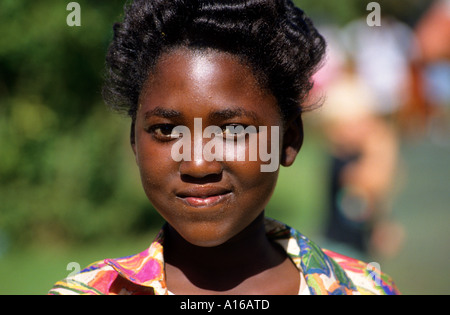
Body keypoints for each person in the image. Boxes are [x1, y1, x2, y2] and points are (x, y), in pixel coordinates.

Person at [49, 0, 399, 295]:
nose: (198, 163)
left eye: (232, 130)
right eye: (166, 130)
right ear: (134, 142)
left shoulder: (363, 288)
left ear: (288, 140)